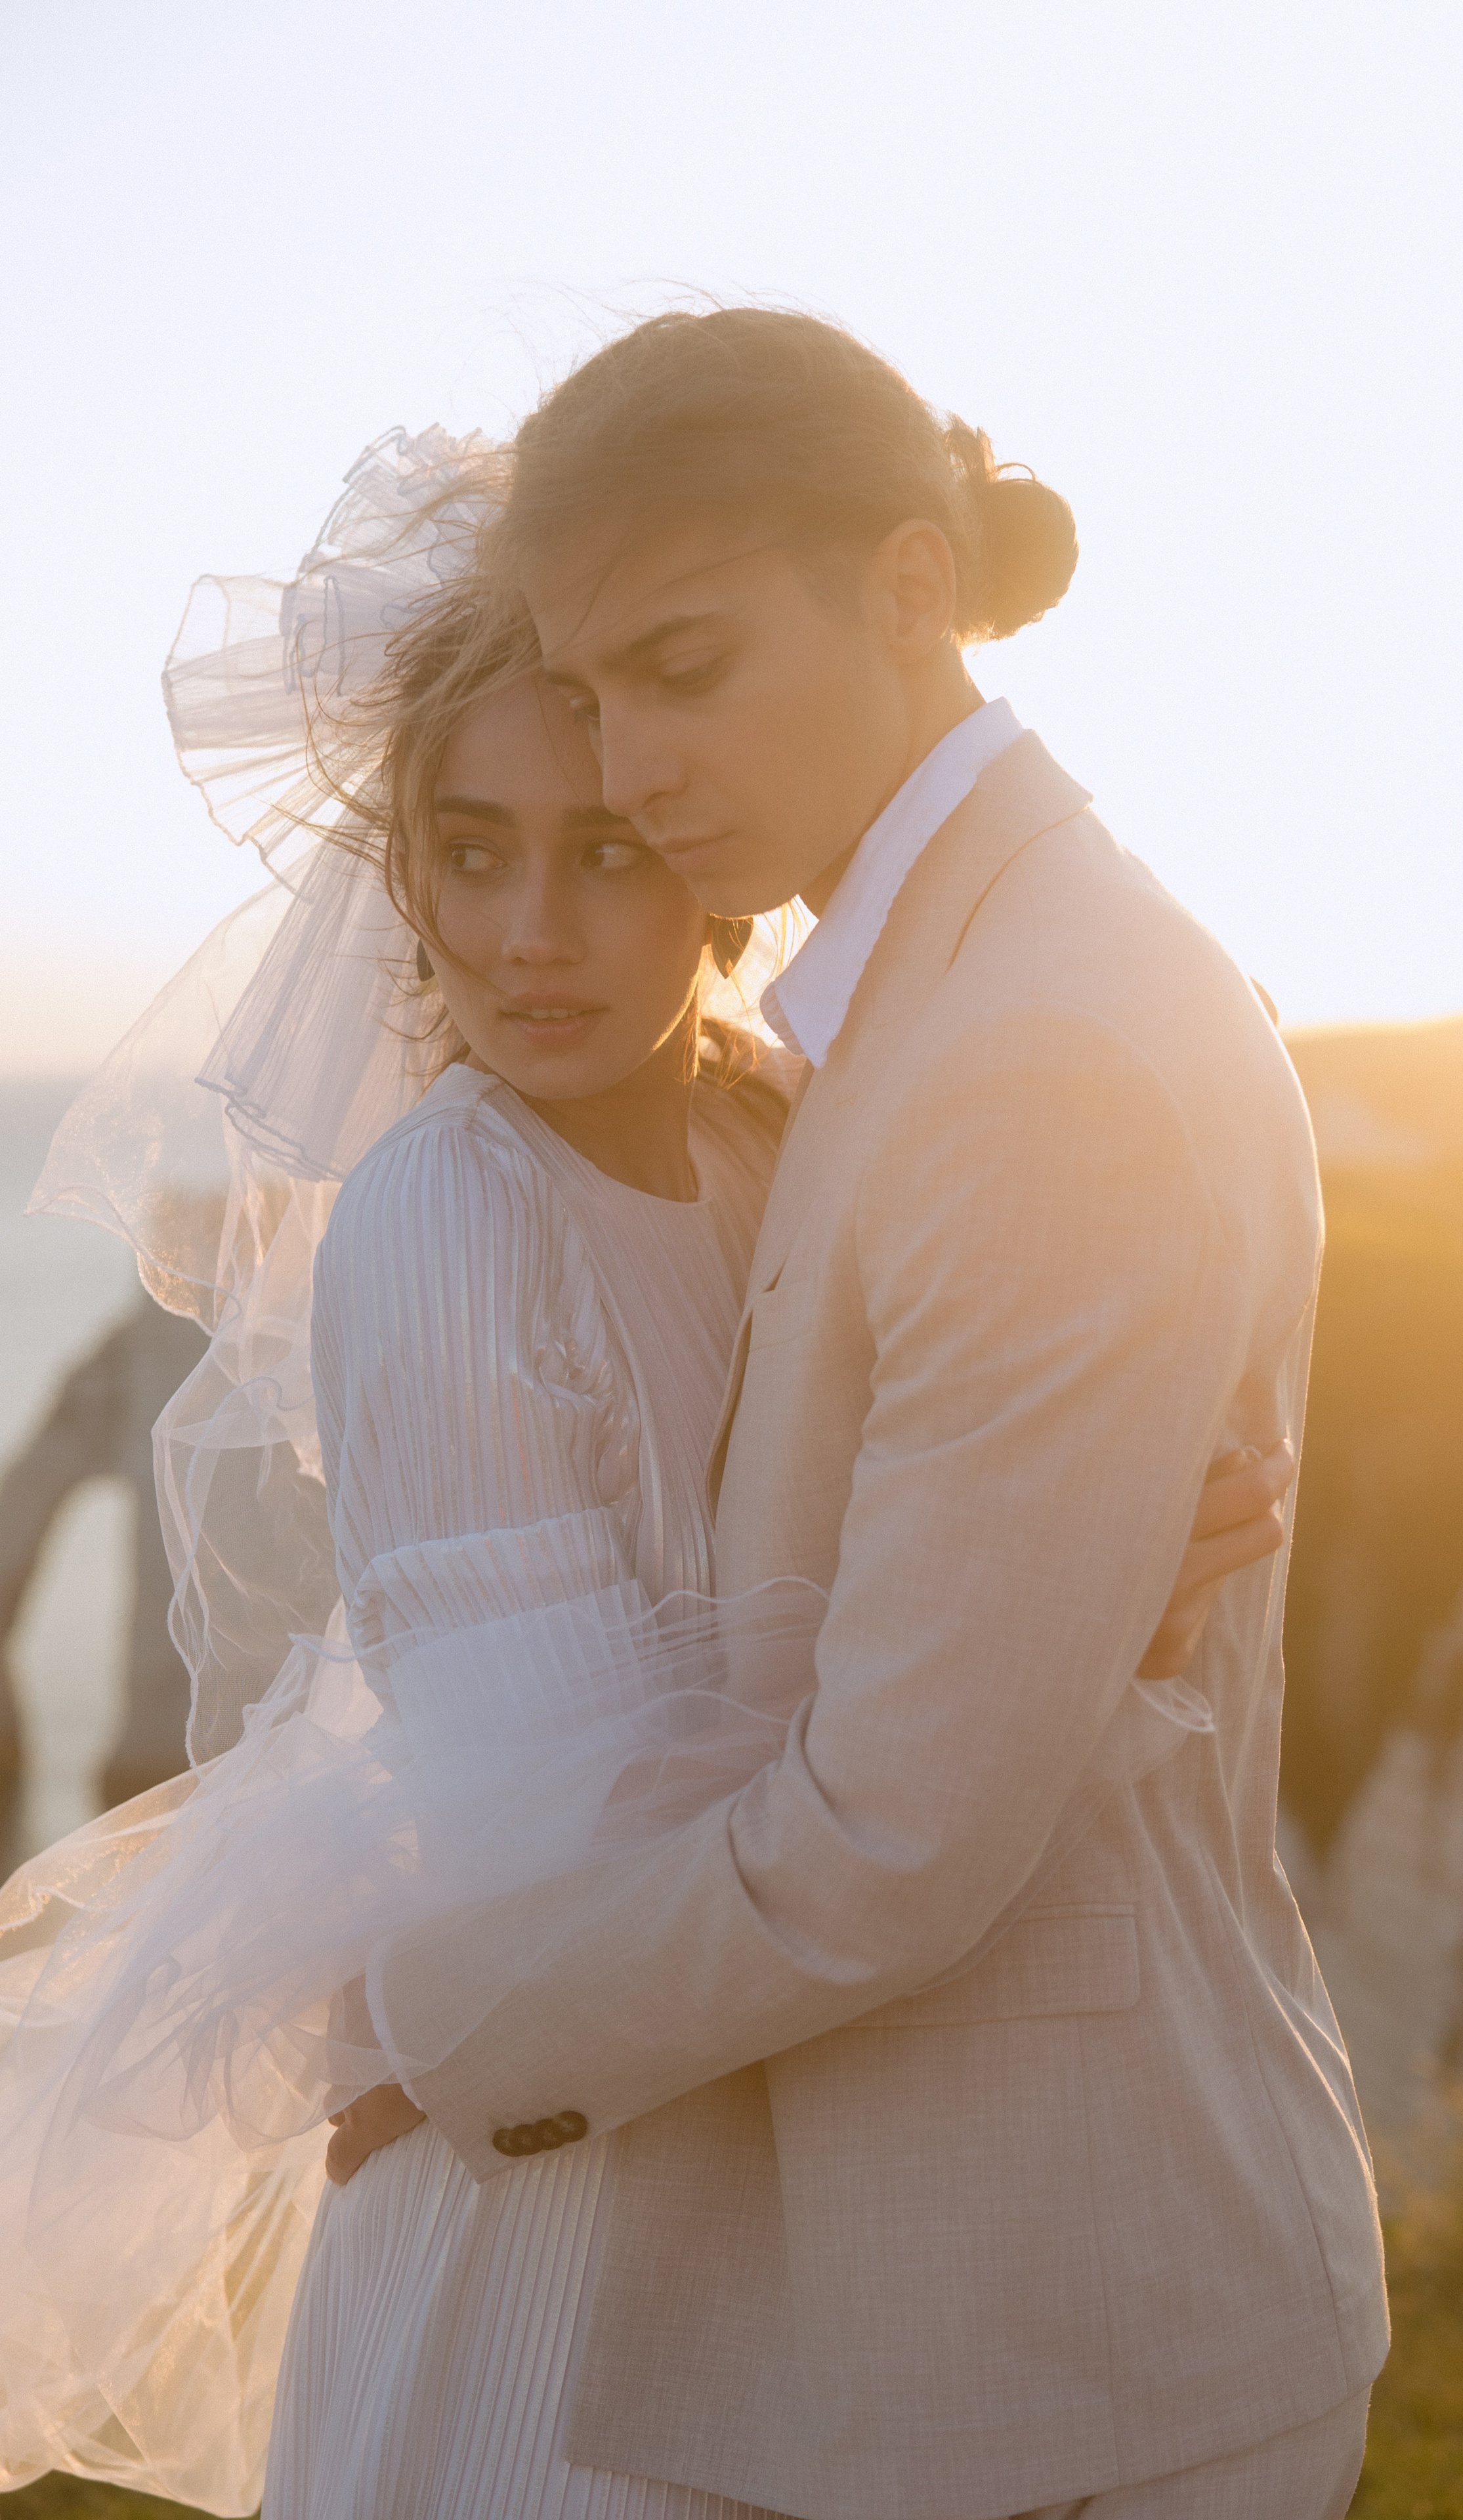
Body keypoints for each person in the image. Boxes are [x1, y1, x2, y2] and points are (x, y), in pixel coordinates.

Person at [0, 425, 1287, 2518]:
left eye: (603, 846)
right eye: (467, 844)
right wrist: (1059, 1588)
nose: (529, 931)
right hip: (554, 2218)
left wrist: (1033, 1556)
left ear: (704, 835)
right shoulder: (447, 1223)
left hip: (755, 2158)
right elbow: (575, 1847)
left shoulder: (797, 1129)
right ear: (393, 866)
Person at [331, 310, 1391, 2520]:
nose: (625, 768)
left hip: (1061, 2338)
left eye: (685, 670)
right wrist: (1035, 1595)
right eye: (594, 683)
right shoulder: (920, 1002)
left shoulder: (1031, 1053)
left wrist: (445, 2044)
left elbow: (891, 1844)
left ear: (912, 590)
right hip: (968, 2326)